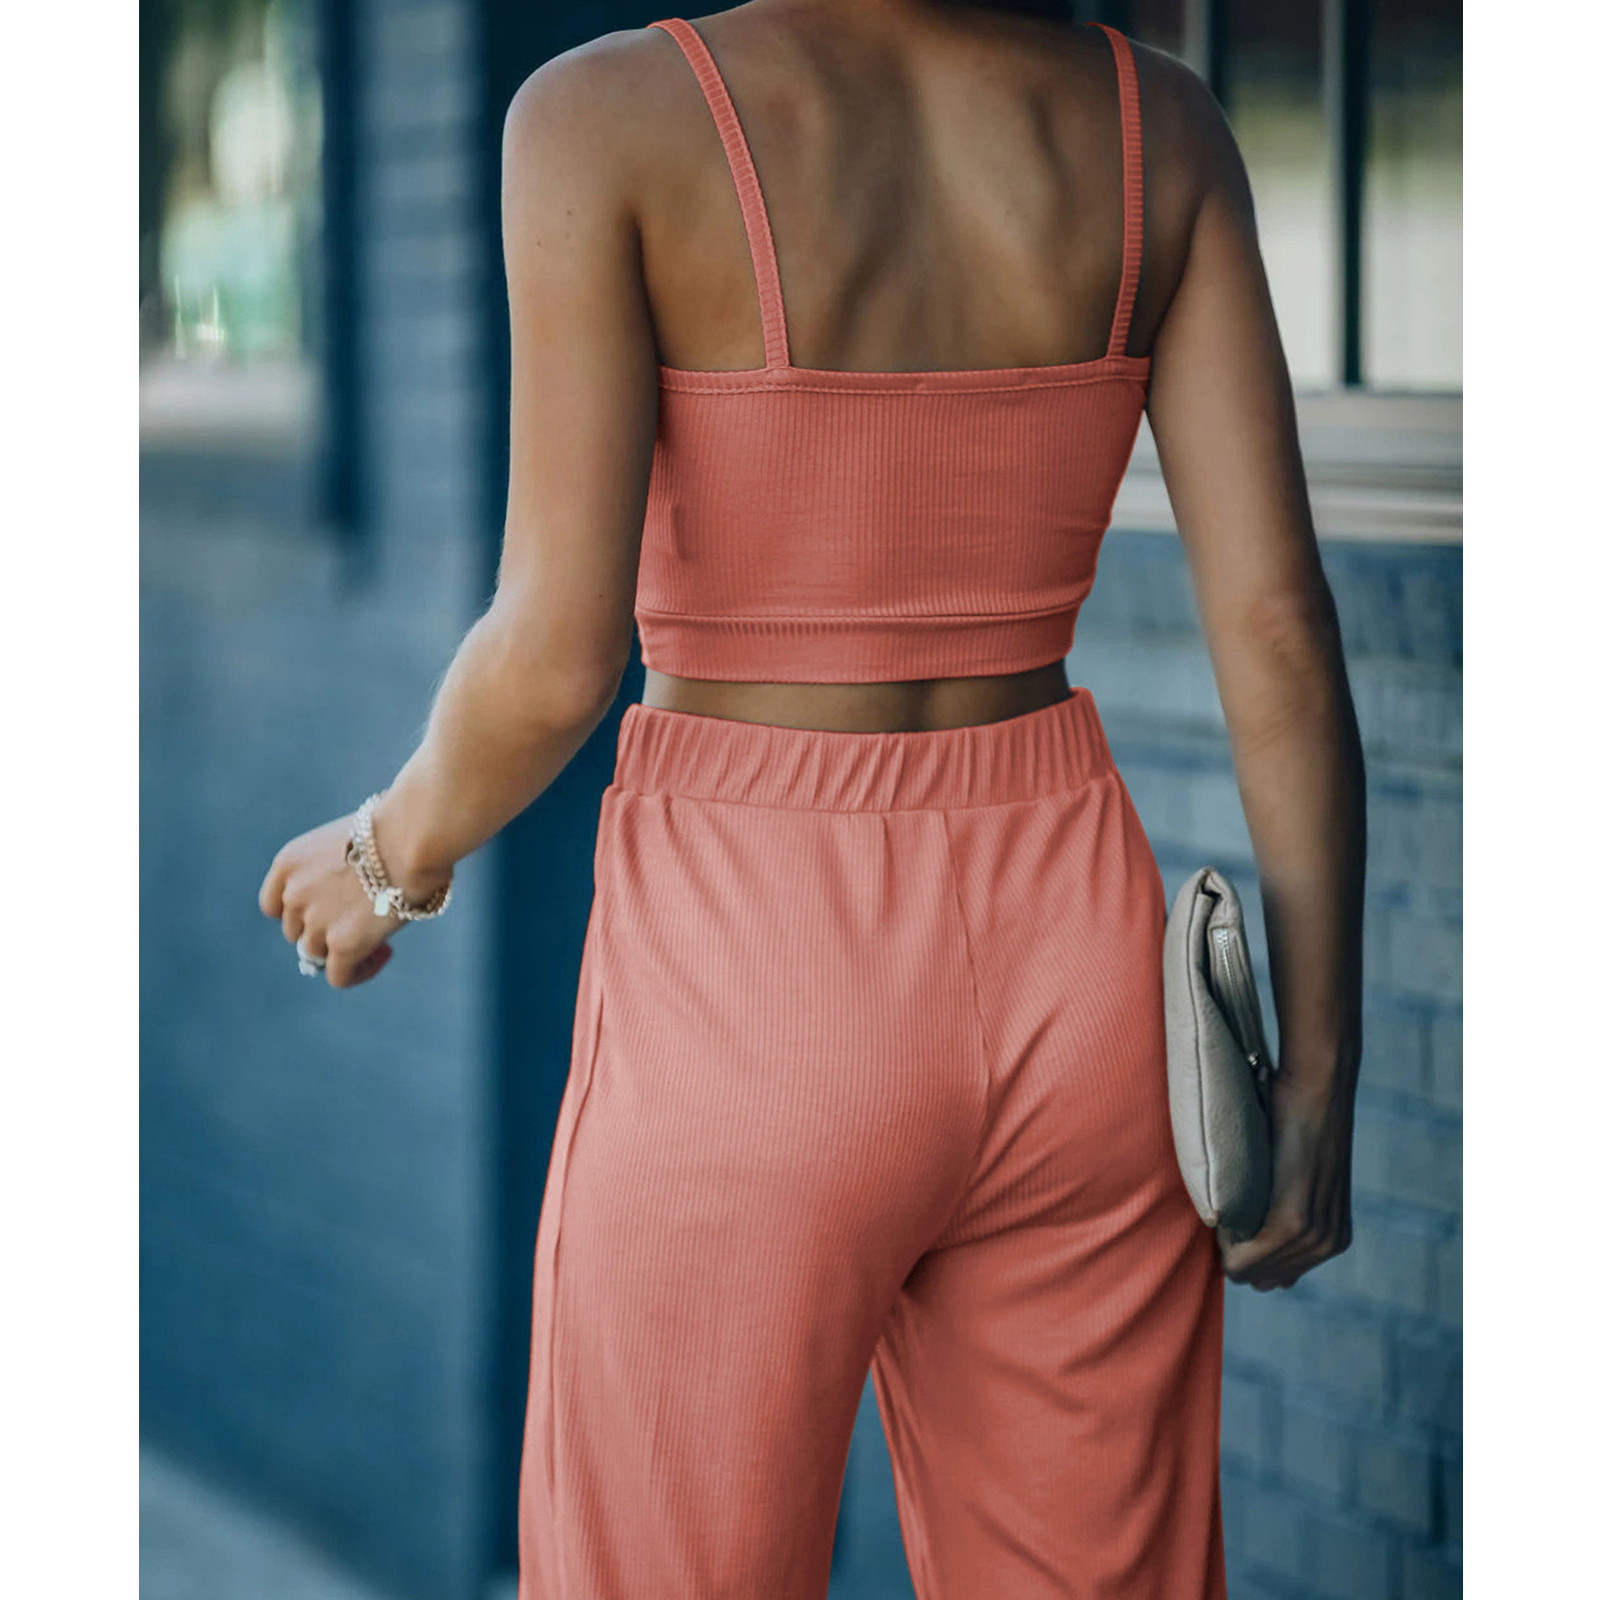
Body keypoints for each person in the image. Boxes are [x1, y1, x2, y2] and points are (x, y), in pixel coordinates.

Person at [258, 2, 1367, 1595]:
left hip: (750, 967)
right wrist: (1317, 1071)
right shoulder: (1165, 130)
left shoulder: (603, 120)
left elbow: (555, 657)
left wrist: (385, 853)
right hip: (1080, 970)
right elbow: (1279, 633)